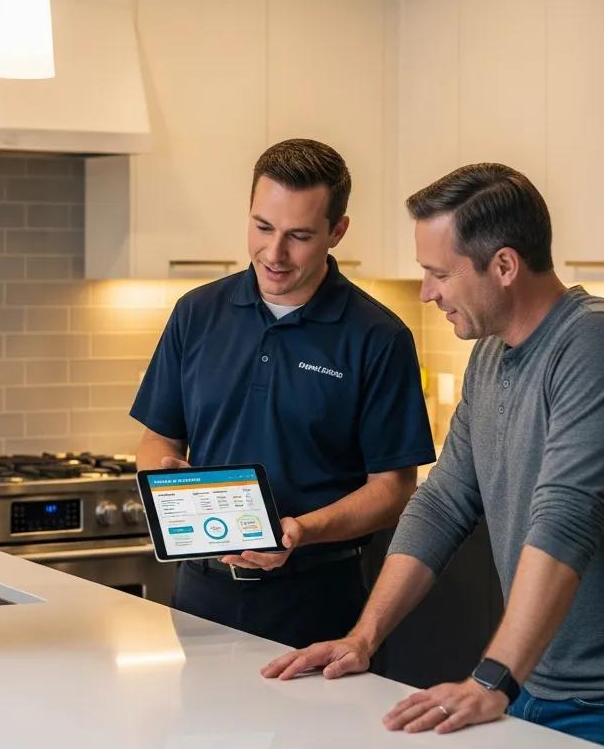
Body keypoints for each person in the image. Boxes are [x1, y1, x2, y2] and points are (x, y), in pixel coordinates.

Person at [262, 162, 604, 749]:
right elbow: (445, 501)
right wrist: (363, 637)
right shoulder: (493, 357)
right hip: (537, 681)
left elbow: (569, 517)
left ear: (503, 266)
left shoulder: (600, 345)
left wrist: (493, 679)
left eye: (439, 273)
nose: (427, 292)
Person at [131, 138, 435, 648]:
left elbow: (394, 489)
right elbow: (158, 439)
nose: (274, 254)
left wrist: (300, 531)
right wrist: (160, 476)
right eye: (262, 227)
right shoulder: (196, 313)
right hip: (199, 597)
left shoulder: (379, 338)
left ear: (337, 232)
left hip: (317, 603)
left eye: (299, 236)